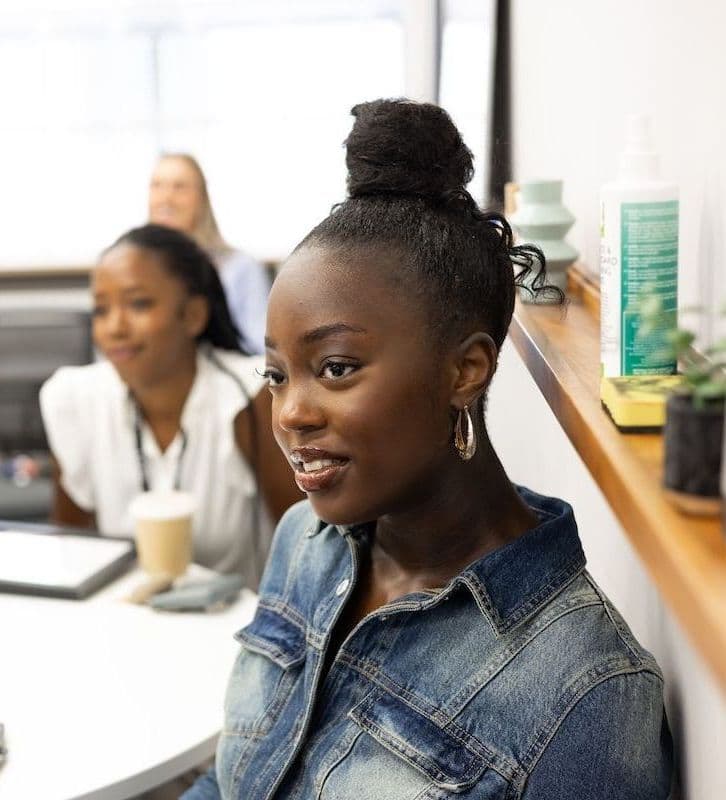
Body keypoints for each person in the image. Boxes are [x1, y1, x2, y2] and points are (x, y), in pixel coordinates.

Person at [183, 100, 674, 799]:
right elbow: (234, 779)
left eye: (336, 369)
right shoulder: (306, 541)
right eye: (276, 374)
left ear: (465, 370)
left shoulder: (584, 689)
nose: (290, 413)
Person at [40, 224, 300, 587]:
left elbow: (308, 551)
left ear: (193, 315)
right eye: (100, 310)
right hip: (123, 621)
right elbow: (72, 554)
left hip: (232, 625)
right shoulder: (76, 400)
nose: (114, 327)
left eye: (138, 304)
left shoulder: (248, 399)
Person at [148, 152, 270, 354]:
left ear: (202, 198)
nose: (166, 198)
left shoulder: (241, 268)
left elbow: (261, 350)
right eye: (157, 186)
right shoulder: (134, 271)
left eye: (179, 187)